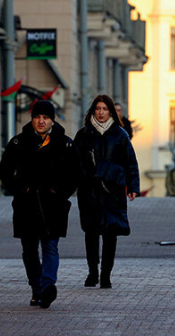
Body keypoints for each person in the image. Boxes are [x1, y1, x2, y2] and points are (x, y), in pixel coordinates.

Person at [0, 100, 79, 309]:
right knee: (29, 248)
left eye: (45, 117)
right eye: (37, 117)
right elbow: (4, 172)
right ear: (32, 119)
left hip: (53, 204)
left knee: (50, 245)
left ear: (52, 120)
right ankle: (36, 287)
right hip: (27, 204)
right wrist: (21, 189)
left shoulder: (65, 143)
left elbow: (76, 173)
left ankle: (48, 286)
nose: (41, 121)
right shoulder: (19, 142)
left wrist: (60, 192)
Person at [74, 95, 140, 289]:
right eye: (98, 109)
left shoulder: (120, 135)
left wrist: (133, 187)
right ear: (93, 111)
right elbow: (74, 162)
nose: (101, 112)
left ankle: (106, 275)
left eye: (105, 109)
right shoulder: (84, 134)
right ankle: (92, 272)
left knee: (111, 233)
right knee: (91, 232)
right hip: (90, 190)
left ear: (111, 111)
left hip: (113, 190)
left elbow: (130, 162)